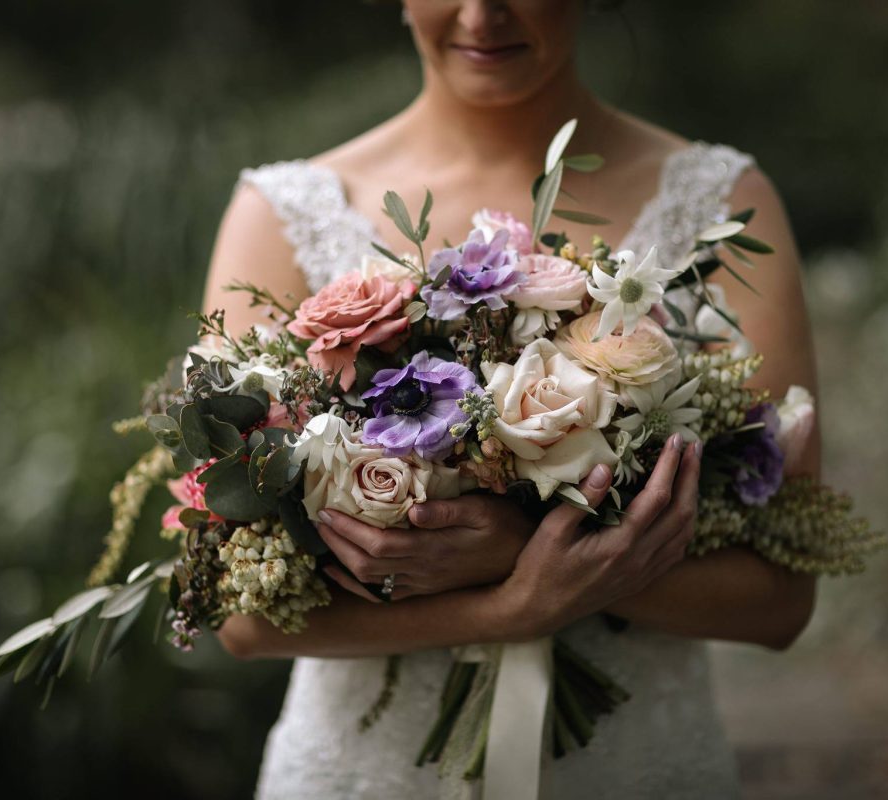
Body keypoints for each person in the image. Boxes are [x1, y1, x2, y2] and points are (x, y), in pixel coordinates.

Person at [202, 1, 819, 797]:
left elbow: (779, 602)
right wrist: (510, 603)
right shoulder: (280, 216)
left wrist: (523, 549)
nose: (482, 12)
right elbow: (238, 615)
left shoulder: (723, 207)